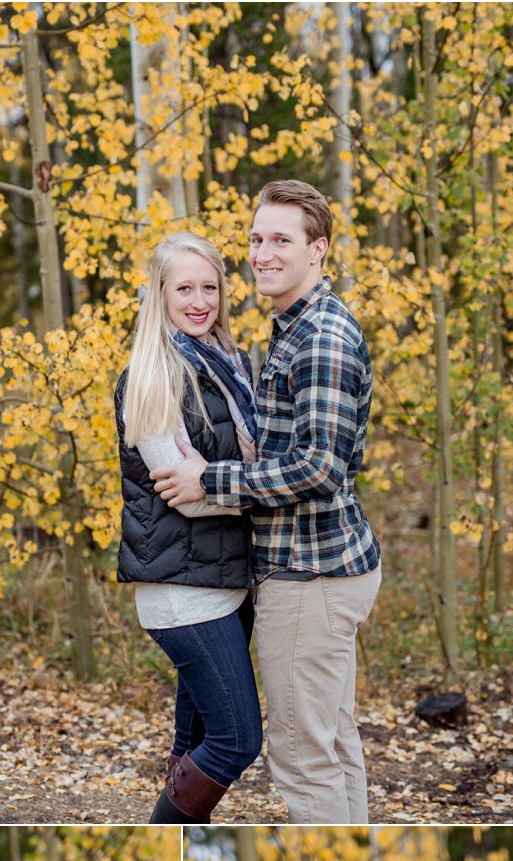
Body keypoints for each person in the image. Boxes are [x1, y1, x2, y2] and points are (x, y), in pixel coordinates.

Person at [151, 179, 381, 826]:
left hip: (312, 575)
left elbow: (320, 468)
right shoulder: (290, 328)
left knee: (305, 758)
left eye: (281, 239)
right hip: (317, 568)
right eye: (255, 239)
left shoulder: (322, 338)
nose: (262, 253)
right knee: (332, 744)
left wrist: (210, 481)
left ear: (318, 251)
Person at [116, 231, 261, 823]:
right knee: (236, 741)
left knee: (195, 744)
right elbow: (185, 494)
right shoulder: (151, 378)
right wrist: (263, 490)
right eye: (185, 288)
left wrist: (227, 481)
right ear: (160, 295)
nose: (200, 300)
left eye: (210, 287)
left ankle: (174, 844)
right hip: (183, 593)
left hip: (229, 580)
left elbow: (215, 481)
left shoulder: (232, 366)